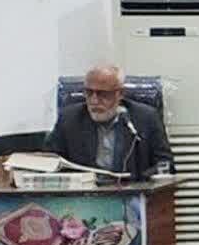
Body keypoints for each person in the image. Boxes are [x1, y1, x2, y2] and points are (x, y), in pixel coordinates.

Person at [45, 64, 174, 179]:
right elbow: (49, 162)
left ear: (120, 94)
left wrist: (139, 181)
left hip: (132, 192)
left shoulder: (145, 118)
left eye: (103, 94)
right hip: (84, 194)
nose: (94, 101)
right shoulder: (69, 118)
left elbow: (165, 165)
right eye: (89, 93)